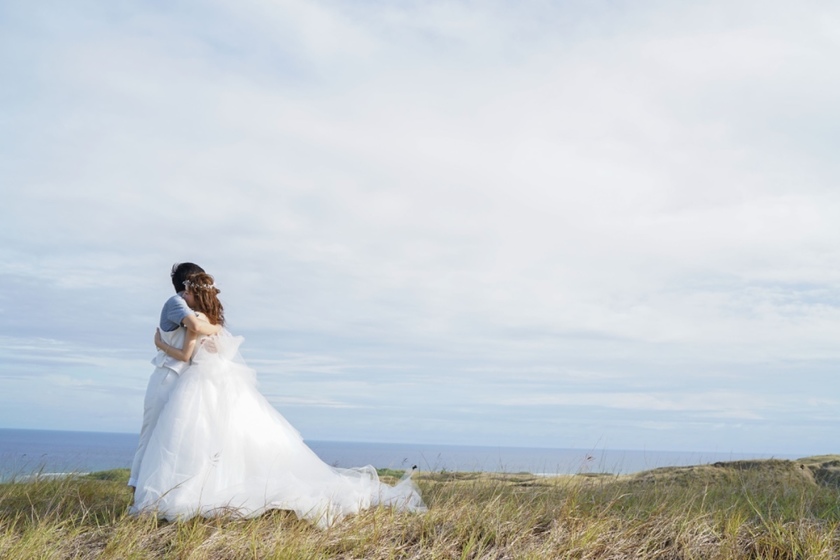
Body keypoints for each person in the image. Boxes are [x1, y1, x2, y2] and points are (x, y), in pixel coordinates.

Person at [130, 272, 425, 528]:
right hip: (213, 380)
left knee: (193, 438)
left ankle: (186, 490)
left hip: (197, 381)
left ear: (194, 294)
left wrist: (158, 343)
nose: (184, 295)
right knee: (221, 438)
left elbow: (186, 352)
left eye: (188, 291)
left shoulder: (198, 321)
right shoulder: (210, 320)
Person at [127, 263, 222, 490]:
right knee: (151, 435)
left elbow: (198, 336)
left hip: (187, 382)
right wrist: (216, 327)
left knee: (178, 439)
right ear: (187, 283)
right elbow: (195, 326)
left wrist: (159, 344)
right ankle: (137, 487)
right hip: (167, 376)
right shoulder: (176, 303)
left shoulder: (201, 311)